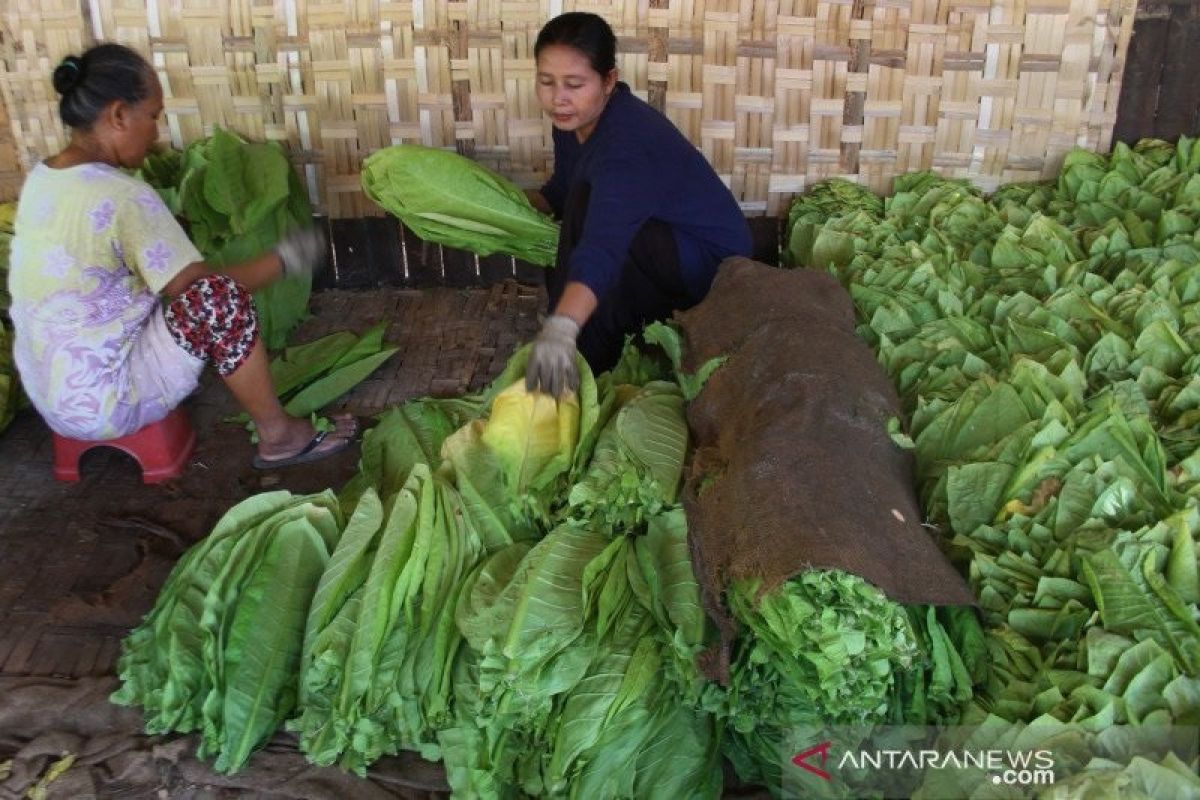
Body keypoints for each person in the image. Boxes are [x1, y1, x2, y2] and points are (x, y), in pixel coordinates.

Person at [7, 43, 356, 469]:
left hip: (51, 399)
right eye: (152, 115)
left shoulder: (43, 179)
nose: (157, 131)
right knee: (218, 300)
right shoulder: (122, 195)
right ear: (118, 115)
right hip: (109, 402)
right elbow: (196, 288)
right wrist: (286, 259)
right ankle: (279, 435)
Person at [523, 12, 752, 398]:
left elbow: (602, 245)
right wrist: (490, 200)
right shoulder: (572, 120)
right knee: (580, 207)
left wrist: (562, 325)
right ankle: (591, 335)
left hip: (712, 268)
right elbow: (561, 189)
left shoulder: (626, 143)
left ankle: (587, 358)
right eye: (546, 82)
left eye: (574, 84)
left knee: (589, 221)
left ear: (609, 81)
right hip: (660, 244)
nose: (558, 97)